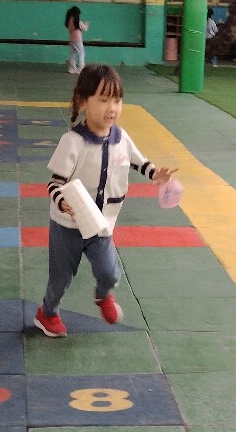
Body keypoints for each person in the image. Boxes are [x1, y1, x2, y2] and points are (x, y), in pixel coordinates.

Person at [34, 64, 177, 338]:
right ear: (82, 102)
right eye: (103, 100)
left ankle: (102, 295)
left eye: (117, 100)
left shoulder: (122, 138)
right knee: (60, 278)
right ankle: (47, 313)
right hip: (67, 226)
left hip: (101, 225)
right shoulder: (72, 141)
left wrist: (156, 174)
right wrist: (62, 201)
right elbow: (54, 184)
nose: (111, 108)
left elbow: (139, 162)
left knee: (109, 272)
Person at [65, 5, 89, 75]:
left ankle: (71, 69)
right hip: (78, 40)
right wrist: (86, 25)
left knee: (72, 54)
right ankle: (81, 69)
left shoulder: (69, 20)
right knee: (81, 54)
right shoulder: (78, 21)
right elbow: (84, 28)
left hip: (71, 39)